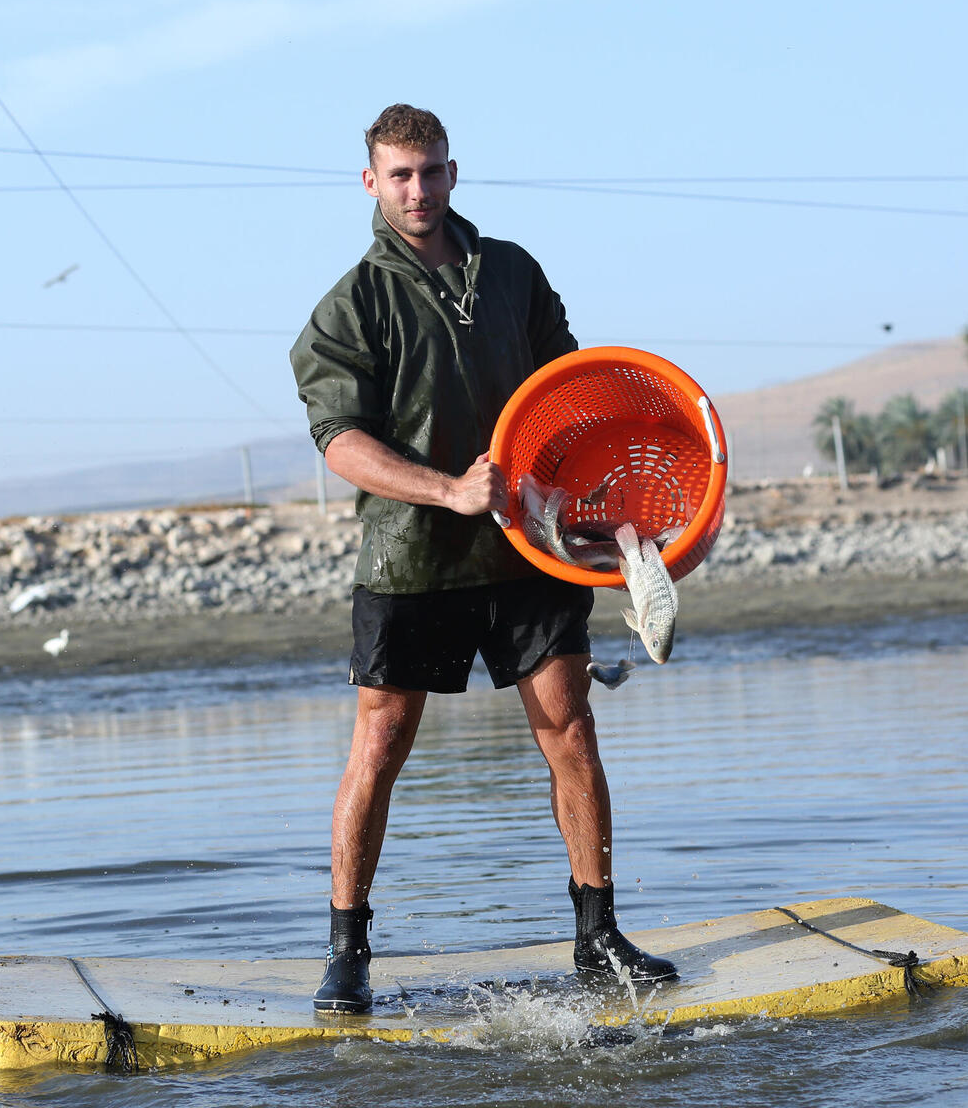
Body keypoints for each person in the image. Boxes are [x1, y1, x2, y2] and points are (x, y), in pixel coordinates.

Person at [288, 104, 677, 1014]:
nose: (416, 190)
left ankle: (598, 938)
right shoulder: (351, 305)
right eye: (399, 175)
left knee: (570, 727)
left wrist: (611, 514)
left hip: (528, 548)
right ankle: (348, 949)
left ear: (453, 174)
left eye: (429, 172)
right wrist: (447, 489)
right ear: (371, 183)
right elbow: (339, 438)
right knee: (379, 747)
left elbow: (571, 394)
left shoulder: (512, 273)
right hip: (411, 555)